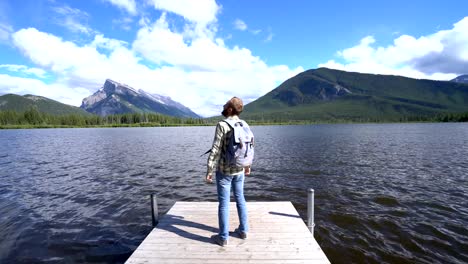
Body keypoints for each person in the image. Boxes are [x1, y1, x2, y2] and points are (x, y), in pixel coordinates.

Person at [206, 97, 251, 247]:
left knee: (224, 204)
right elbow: (248, 147)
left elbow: (216, 149)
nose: (224, 106)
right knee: (240, 199)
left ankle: (223, 237)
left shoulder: (222, 125)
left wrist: (209, 169)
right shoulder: (244, 124)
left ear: (230, 109)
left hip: (224, 171)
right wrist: (247, 165)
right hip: (239, 169)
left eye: (226, 105)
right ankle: (243, 231)